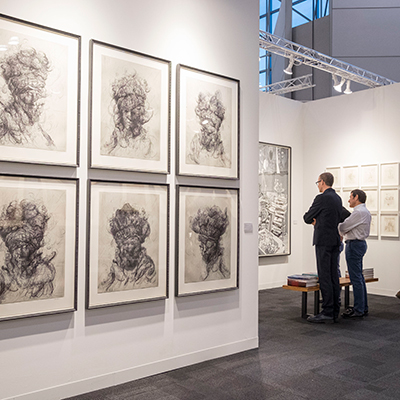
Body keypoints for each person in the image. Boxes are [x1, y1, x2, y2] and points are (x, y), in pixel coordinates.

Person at [303, 172, 343, 323]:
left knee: (325, 276)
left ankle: (327, 311)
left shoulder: (321, 198)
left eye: (318, 182)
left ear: (322, 182)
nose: (318, 185)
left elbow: (307, 217)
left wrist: (316, 221)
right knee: (333, 276)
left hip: (323, 241)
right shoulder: (337, 198)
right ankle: (334, 310)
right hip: (334, 240)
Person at [338, 189, 371, 318]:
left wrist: (340, 227)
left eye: (350, 197)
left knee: (355, 278)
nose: (349, 200)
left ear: (356, 197)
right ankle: (362, 307)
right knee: (359, 277)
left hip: (354, 245)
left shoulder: (358, 212)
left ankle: (359, 309)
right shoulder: (364, 211)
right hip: (359, 244)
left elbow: (343, 227)